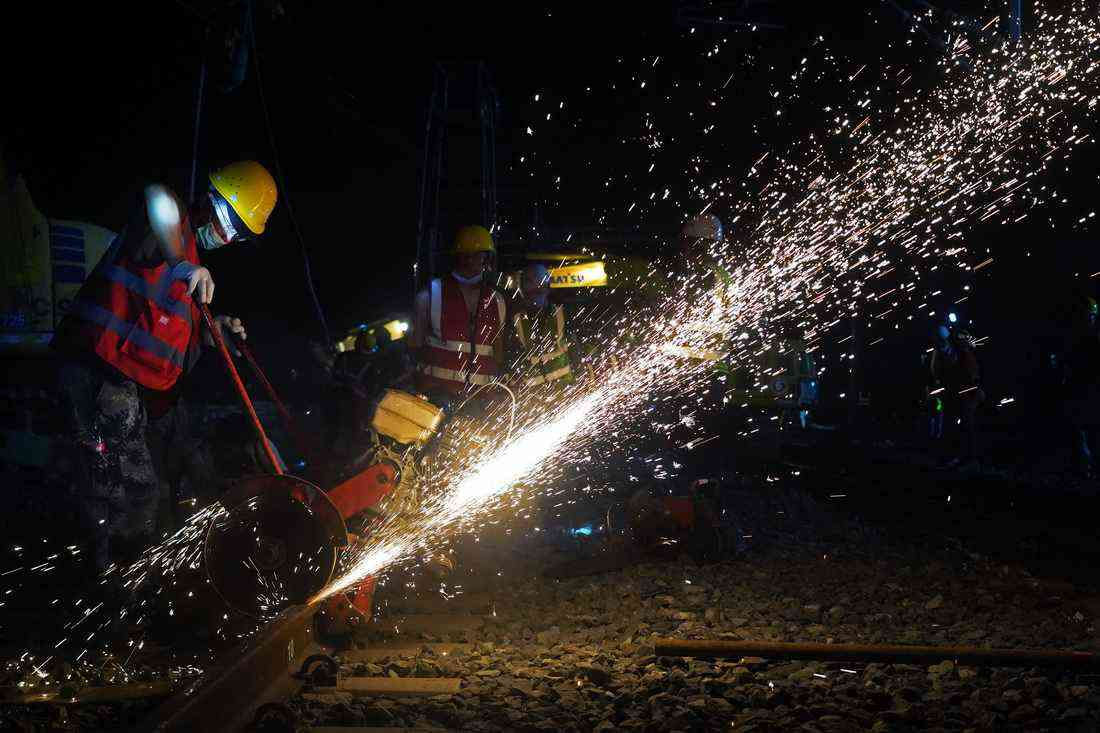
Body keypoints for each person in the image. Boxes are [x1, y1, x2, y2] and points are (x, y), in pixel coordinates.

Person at [52, 161, 277, 571]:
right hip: (95, 370)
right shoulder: (168, 232)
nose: (228, 236)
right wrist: (180, 261)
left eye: (239, 233)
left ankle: (139, 567)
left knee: (173, 472)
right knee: (130, 492)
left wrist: (214, 333)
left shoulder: (188, 260)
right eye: (228, 221)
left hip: (132, 385)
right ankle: (115, 579)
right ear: (210, 200)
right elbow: (157, 195)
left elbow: (168, 334)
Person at [410, 225, 507, 408]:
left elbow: (498, 352)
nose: (472, 261)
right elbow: (413, 348)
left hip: (481, 402)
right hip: (437, 400)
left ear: (487, 258)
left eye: (478, 255)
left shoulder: (497, 301)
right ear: (458, 257)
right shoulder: (430, 295)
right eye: (467, 255)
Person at [512, 263, 577, 390]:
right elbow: (513, 361)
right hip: (534, 395)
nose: (534, 288)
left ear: (547, 287)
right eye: (529, 282)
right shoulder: (516, 321)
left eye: (538, 282)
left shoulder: (561, 314)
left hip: (565, 389)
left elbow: (575, 351)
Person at [1062, 295, 1100, 479]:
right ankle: (1085, 470)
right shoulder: (1078, 339)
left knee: (1087, 432)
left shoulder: (1089, 339)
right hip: (1081, 390)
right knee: (1081, 431)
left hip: (1087, 390)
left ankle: (1087, 470)